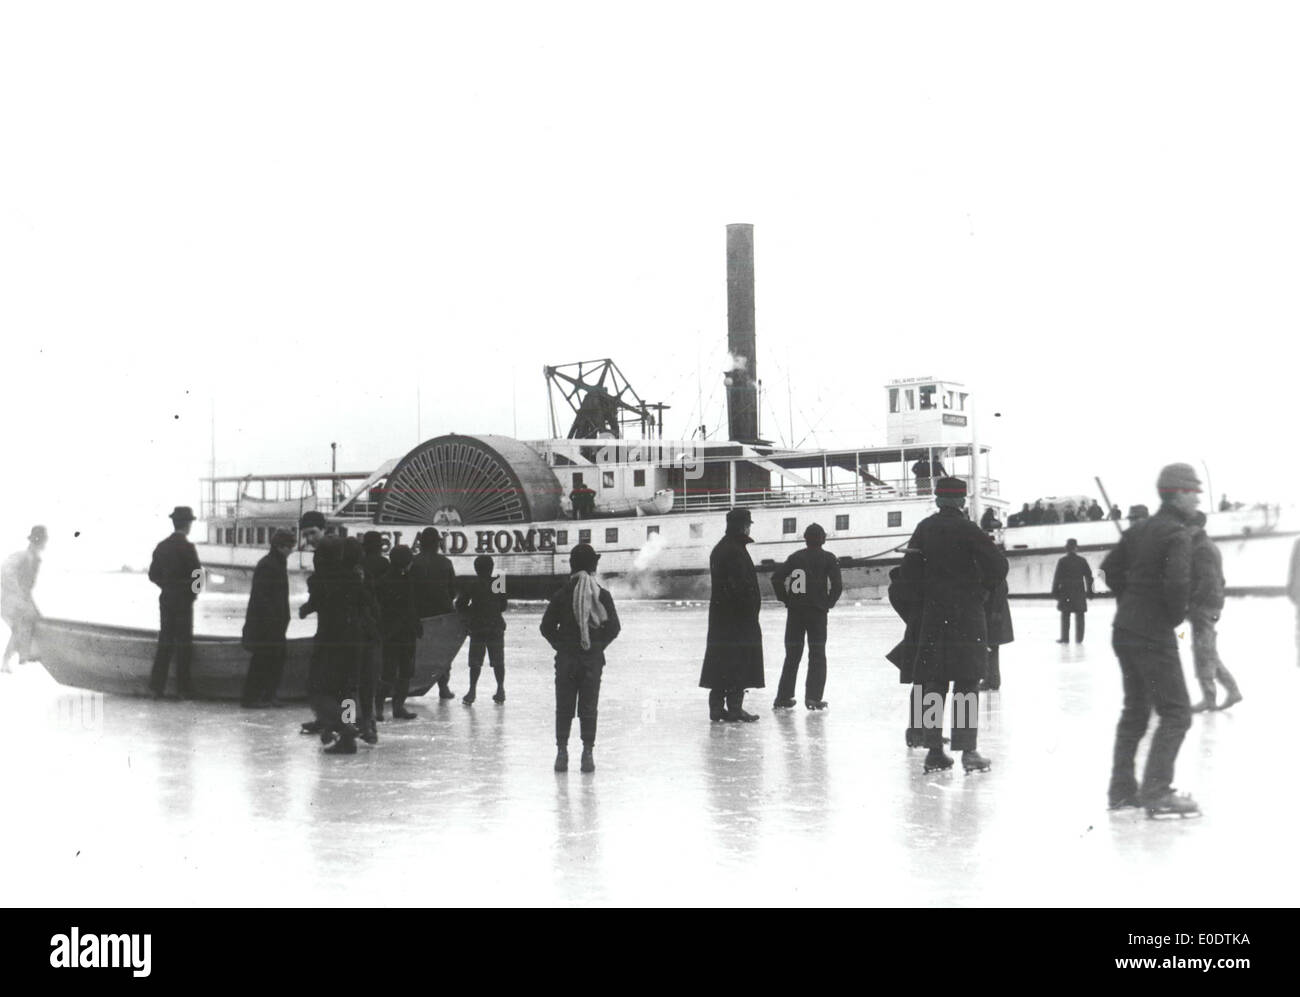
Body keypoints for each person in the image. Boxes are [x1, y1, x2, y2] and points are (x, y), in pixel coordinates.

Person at [1101, 462, 1201, 818]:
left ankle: (1122, 792)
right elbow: (1176, 586)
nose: (1198, 499)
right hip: (1152, 632)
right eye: (1194, 492)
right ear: (1179, 493)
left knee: (1136, 712)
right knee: (1176, 712)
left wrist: (1131, 597)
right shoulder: (1177, 533)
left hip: (1125, 628)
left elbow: (1110, 569)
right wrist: (1171, 615)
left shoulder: (1139, 530)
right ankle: (1157, 792)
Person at [895, 477, 1006, 773]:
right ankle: (968, 751)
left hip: (933, 615)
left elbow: (907, 574)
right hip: (967, 616)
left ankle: (934, 751)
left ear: (937, 500)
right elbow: (998, 567)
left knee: (934, 682)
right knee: (967, 682)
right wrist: (980, 587)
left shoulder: (924, 529)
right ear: (961, 502)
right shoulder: (969, 530)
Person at [540, 544, 620, 773]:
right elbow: (614, 627)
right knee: (589, 707)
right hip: (592, 661)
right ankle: (587, 754)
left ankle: (562, 753)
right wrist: (596, 647)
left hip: (566, 661)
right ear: (592, 565)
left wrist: (562, 646)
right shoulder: (602, 595)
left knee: (564, 707)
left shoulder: (562, 594)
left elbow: (545, 627)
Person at [300, 536, 365, 754]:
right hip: (353, 638)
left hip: (329, 638)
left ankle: (342, 727)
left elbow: (314, 604)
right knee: (345, 689)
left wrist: (305, 610)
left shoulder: (317, 580)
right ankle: (347, 730)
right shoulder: (355, 577)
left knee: (317, 689)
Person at [699, 507, 765, 722]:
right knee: (739, 660)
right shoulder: (735, 550)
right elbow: (740, 586)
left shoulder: (721, 548)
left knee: (721, 660)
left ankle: (716, 707)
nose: (748, 528)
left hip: (721, 616)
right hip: (739, 617)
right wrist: (750, 611)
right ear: (741, 525)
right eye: (747, 524)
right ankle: (735, 708)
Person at [770, 523, 842, 710]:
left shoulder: (795, 557)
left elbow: (776, 578)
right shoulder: (828, 558)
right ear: (823, 539)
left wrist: (786, 599)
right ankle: (813, 697)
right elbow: (837, 585)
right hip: (817, 612)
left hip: (795, 612)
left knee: (792, 656)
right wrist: (828, 603)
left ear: (805, 538)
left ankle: (783, 697)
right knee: (817, 655)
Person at [1187, 512, 1242, 713]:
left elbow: (1207, 581)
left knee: (1203, 652)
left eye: (1187, 526)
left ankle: (1211, 697)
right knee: (1207, 650)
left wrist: (1193, 603)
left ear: (1196, 527)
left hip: (1203, 606)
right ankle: (1228, 691)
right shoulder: (1206, 545)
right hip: (1209, 604)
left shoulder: (1201, 548)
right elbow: (1219, 580)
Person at [148, 506, 202, 699]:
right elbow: (198, 576)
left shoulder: (162, 547)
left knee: (165, 641)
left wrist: (166, 586)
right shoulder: (188, 548)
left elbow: (152, 575)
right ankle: (182, 689)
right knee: (184, 645)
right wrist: (191, 595)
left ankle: (157, 688)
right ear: (187, 525)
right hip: (183, 602)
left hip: (167, 599)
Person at [240, 529, 295, 707]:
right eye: (289, 546)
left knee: (273, 658)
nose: (292, 550)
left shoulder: (274, 562)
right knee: (263, 660)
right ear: (280, 546)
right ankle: (252, 698)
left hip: (273, 623)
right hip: (267, 624)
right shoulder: (270, 564)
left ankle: (267, 695)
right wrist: (274, 620)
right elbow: (263, 598)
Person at [377, 545, 422, 720]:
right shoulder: (409, 581)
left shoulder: (382, 581)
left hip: (389, 633)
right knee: (405, 672)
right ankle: (398, 707)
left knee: (387, 672)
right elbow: (412, 607)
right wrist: (417, 625)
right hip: (406, 633)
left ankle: (379, 708)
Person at [412, 527, 458, 699]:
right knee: (442, 652)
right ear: (437, 544)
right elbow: (452, 591)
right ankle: (443, 687)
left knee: (416, 651)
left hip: (418, 612)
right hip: (442, 612)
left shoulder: (413, 562)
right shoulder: (445, 563)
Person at [456, 554, 508, 705]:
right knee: (498, 661)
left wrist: (472, 611)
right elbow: (503, 605)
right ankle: (500, 689)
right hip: (496, 627)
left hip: (478, 627)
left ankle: (472, 691)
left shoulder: (472, 584)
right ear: (491, 568)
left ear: (476, 569)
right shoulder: (499, 582)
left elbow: (460, 605)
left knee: (475, 662)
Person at [2, 525, 47, 671]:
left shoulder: (35, 560)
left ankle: (12, 659)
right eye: (41, 542)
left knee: (28, 623)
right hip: (9, 600)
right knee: (21, 626)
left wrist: (34, 608)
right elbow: (4, 573)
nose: (43, 545)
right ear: (37, 542)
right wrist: (17, 592)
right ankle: (8, 661)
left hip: (20, 601)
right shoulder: (22, 556)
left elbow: (27, 589)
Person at [1052, 539, 1093, 643]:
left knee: (1065, 615)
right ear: (1076, 548)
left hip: (1066, 592)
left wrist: (1055, 591)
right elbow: (1089, 577)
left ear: (1067, 548)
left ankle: (1065, 638)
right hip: (1079, 591)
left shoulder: (1062, 561)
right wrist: (1090, 592)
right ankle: (1079, 639)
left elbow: (1057, 578)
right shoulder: (1082, 560)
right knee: (1080, 615)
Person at [982, 575, 1014, 691]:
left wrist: (995, 611)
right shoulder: (997, 572)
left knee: (990, 646)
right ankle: (992, 679)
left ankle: (991, 679)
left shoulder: (995, 574)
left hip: (992, 614)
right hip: (995, 613)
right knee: (992, 647)